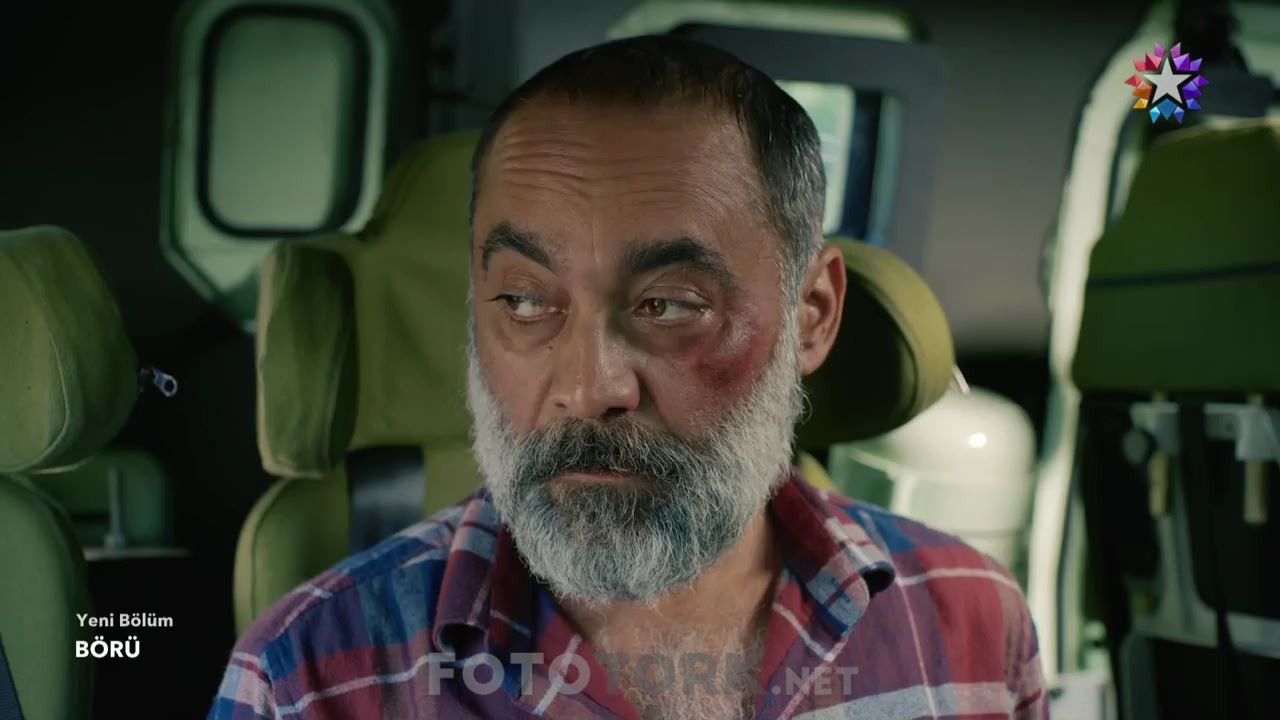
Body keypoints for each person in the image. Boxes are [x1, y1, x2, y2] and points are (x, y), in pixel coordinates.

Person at [209, 35, 1047, 720]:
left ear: (813, 317)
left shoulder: (971, 619)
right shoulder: (305, 680)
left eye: (670, 305)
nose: (589, 387)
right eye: (525, 301)